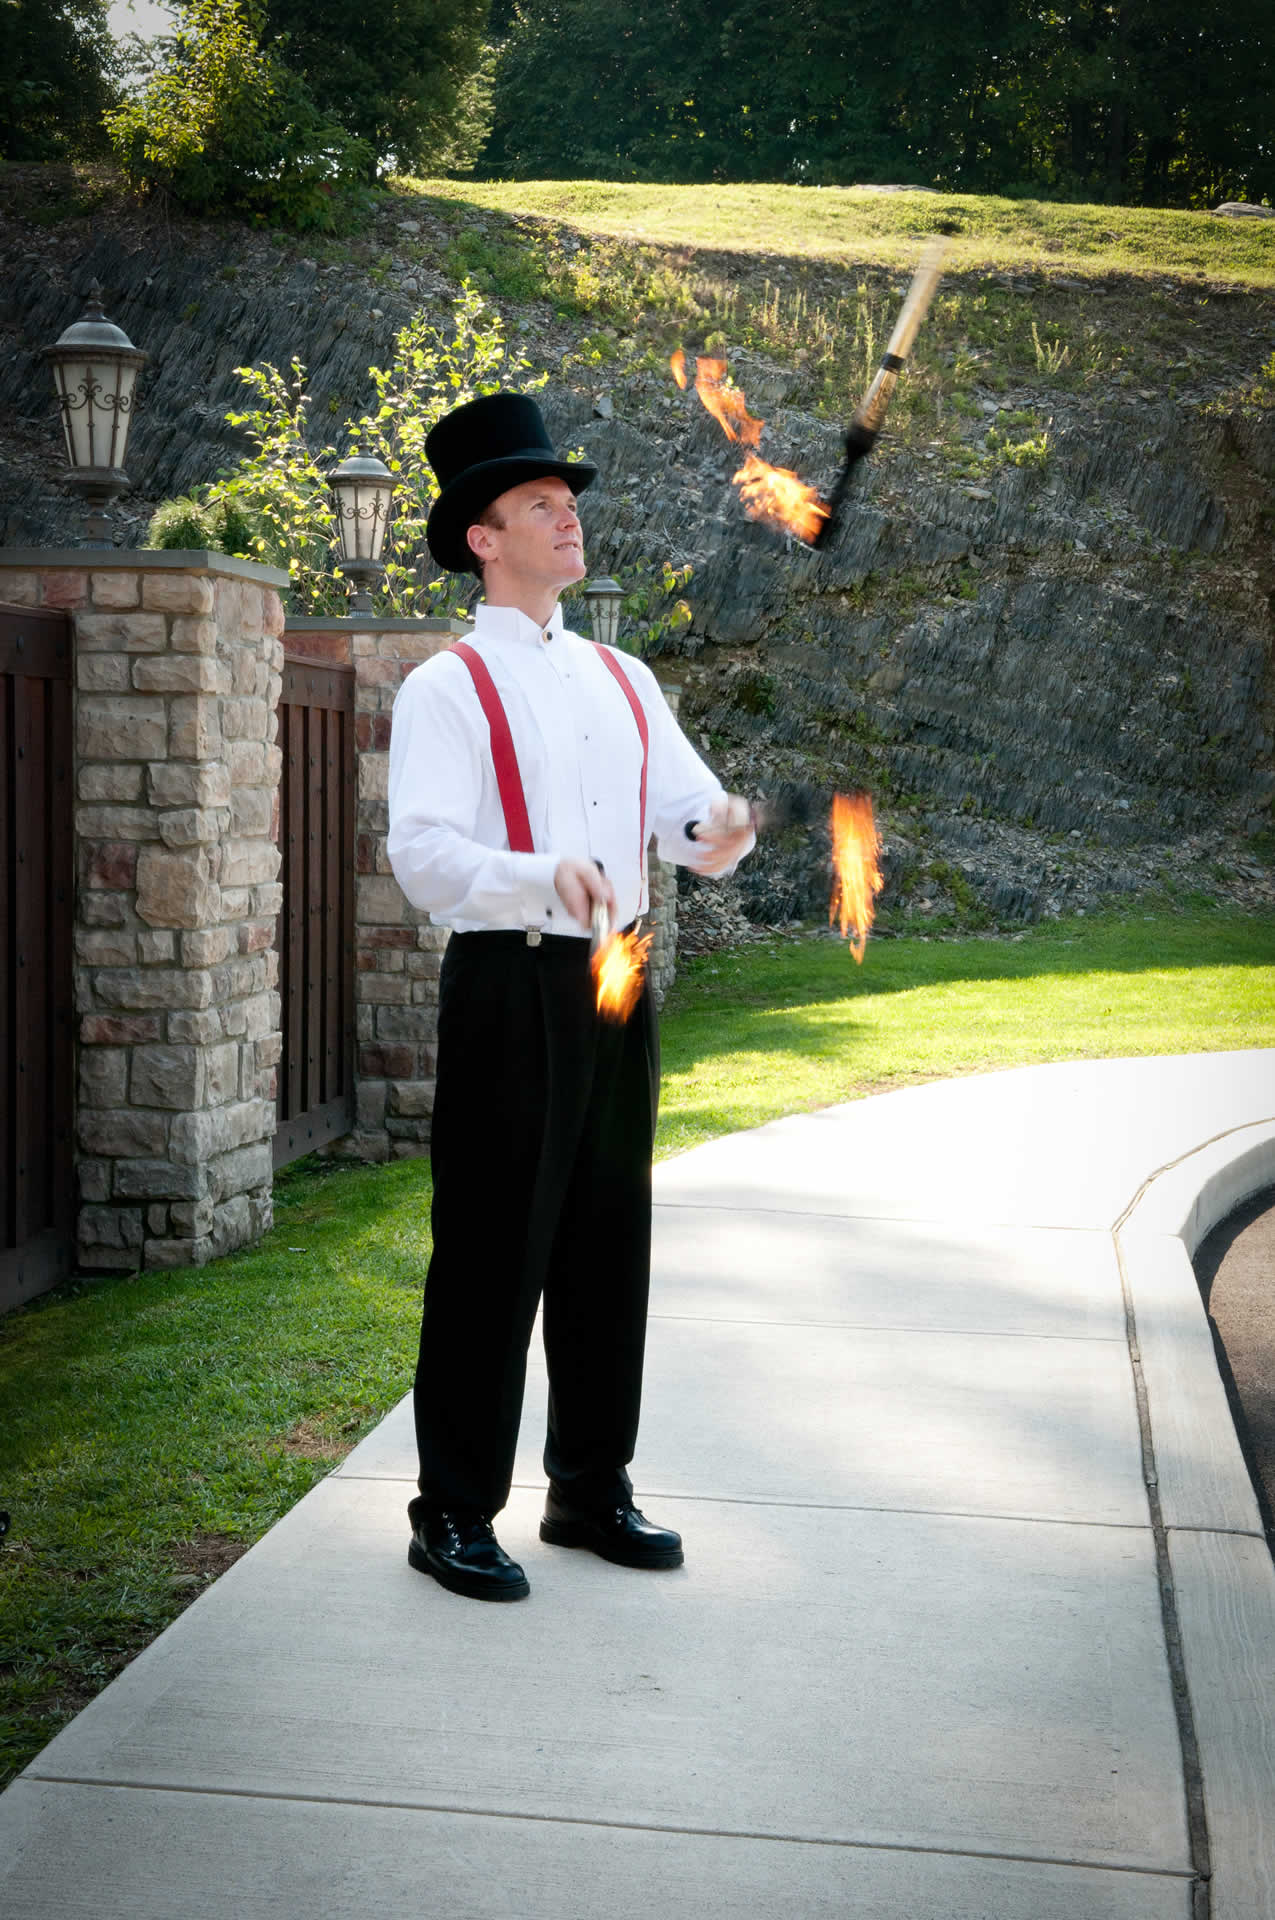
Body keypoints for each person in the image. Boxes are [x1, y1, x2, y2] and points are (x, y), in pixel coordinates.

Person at [386, 392, 754, 1603]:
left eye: (569, 502)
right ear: (484, 538)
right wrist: (541, 873)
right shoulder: (445, 687)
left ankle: (589, 1490)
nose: (567, 517)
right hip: (511, 981)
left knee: (609, 1244)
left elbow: (688, 817)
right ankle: (451, 1512)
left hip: (616, 977)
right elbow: (425, 858)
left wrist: (720, 829)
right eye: (539, 504)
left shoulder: (623, 677)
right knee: (493, 1249)